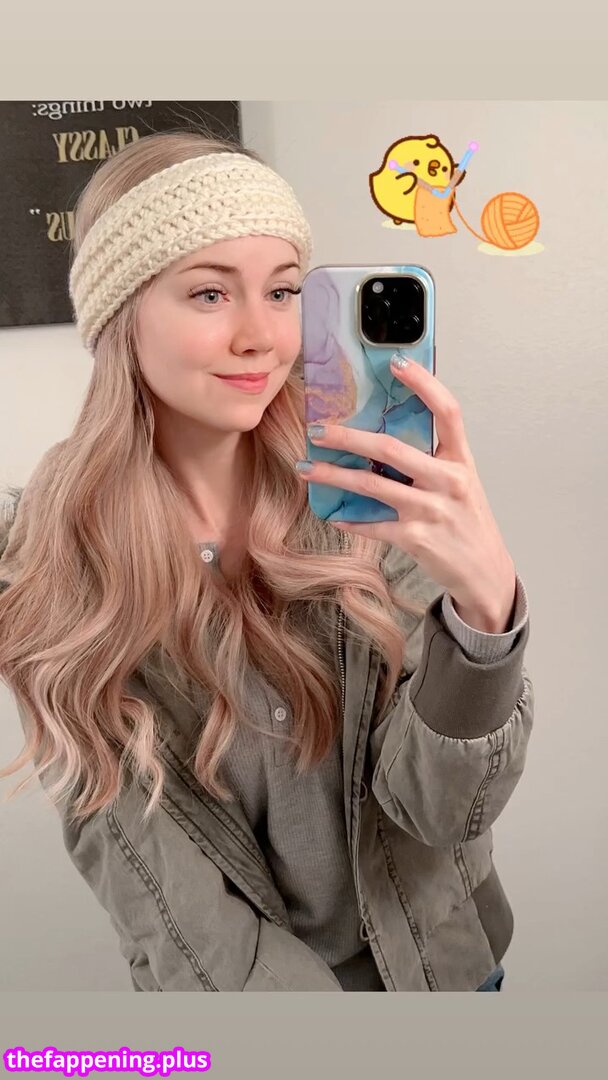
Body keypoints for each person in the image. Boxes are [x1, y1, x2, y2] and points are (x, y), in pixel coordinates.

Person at [0, 130, 533, 992]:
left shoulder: (364, 493)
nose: (261, 336)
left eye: (283, 291)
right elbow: (164, 896)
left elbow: (443, 811)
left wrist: (484, 620)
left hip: (450, 978)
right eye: (210, 293)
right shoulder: (50, 562)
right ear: (120, 315)